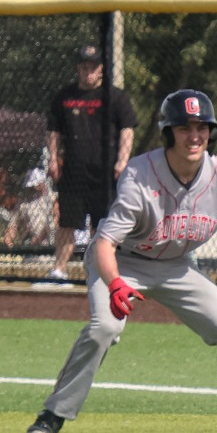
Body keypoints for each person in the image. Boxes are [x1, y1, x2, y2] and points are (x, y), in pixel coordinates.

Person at [25, 90, 217, 433]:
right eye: (184, 127)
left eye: (202, 127)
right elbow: (105, 244)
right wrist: (115, 284)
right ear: (168, 132)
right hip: (122, 261)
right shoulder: (140, 173)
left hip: (176, 266)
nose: (195, 135)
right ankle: (53, 414)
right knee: (104, 327)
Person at [44, 45, 136, 282]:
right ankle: (59, 271)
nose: (88, 72)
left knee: (104, 226)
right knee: (67, 223)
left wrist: (122, 160)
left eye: (93, 67)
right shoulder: (65, 97)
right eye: (84, 67)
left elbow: (127, 129)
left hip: (105, 174)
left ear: (101, 69)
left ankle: (102, 274)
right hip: (73, 172)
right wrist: (53, 158)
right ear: (78, 68)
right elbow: (53, 131)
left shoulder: (115, 97)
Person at [4, 167, 57, 251]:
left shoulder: (53, 199)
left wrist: (37, 239)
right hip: (29, 247)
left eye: (37, 185)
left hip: (50, 246)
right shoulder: (23, 202)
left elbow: (55, 219)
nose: (34, 188)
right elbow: (13, 225)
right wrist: (9, 240)